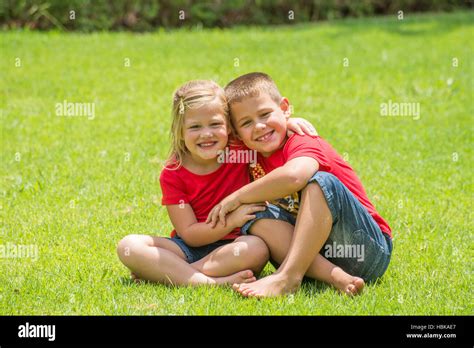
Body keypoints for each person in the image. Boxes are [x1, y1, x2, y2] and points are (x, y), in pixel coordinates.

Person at [207, 72, 393, 297]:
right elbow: (206, 141)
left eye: (265, 114)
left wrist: (237, 196)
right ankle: (334, 276)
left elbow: (294, 177)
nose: (259, 126)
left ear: (284, 108)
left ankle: (288, 277)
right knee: (253, 213)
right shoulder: (248, 151)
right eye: (246, 122)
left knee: (321, 182)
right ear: (236, 132)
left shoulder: (302, 139)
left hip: (367, 251)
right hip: (317, 255)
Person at [117, 79, 317, 287]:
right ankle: (208, 282)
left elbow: (264, 134)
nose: (206, 134)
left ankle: (173, 273)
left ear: (229, 126)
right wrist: (231, 221)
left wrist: (287, 123)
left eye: (215, 124)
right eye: (195, 126)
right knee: (128, 245)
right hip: (187, 249)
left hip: (235, 248)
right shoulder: (173, 173)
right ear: (180, 131)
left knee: (257, 248)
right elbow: (190, 234)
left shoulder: (240, 151)